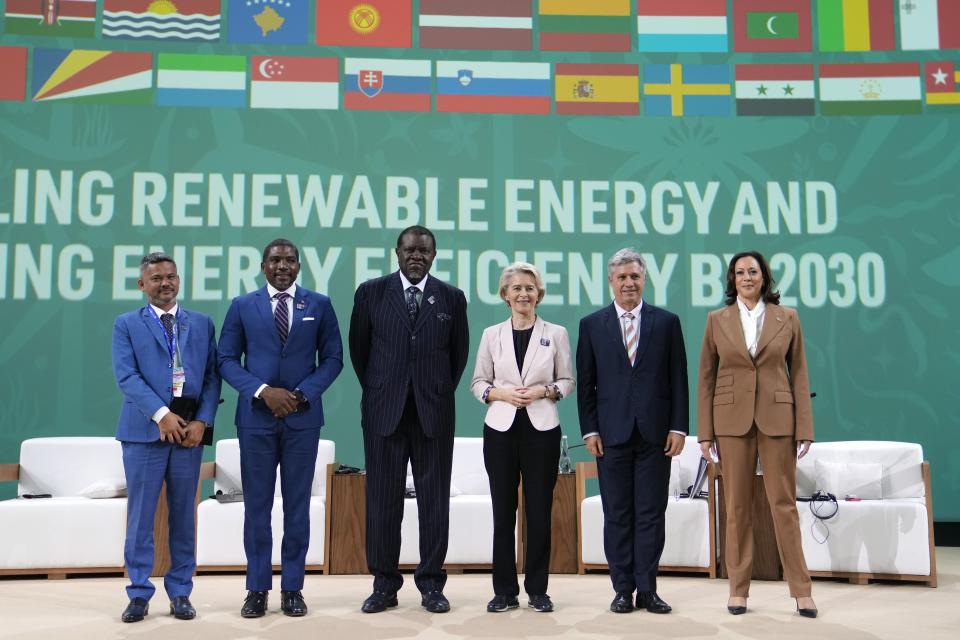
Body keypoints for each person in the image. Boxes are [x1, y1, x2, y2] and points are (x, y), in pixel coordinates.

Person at [218, 238, 343, 618]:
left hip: (302, 421)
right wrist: (262, 391)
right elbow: (225, 359)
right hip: (255, 421)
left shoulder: (318, 305)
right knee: (256, 508)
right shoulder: (242, 306)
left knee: (297, 508)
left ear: (299, 265)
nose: (283, 265)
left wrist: (302, 395)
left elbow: (334, 359)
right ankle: (257, 588)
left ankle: (293, 588)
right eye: (276, 259)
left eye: (290, 260)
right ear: (263, 265)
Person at [348, 225, 469, 614]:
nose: (416, 257)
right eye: (409, 251)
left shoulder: (451, 297)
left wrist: (430, 389)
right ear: (396, 253)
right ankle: (384, 584)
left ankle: (432, 583)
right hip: (385, 412)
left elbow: (458, 358)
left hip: (433, 413)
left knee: (434, 504)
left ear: (434, 255)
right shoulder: (371, 293)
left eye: (424, 251)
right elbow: (360, 352)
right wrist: (387, 389)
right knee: (382, 502)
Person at [696, 251, 817, 618]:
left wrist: (804, 428)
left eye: (752, 271)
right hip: (730, 423)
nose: (746, 277)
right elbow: (706, 378)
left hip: (778, 420)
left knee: (784, 506)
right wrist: (705, 434)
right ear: (732, 280)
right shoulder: (716, 320)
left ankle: (801, 590)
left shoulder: (788, 317)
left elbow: (799, 375)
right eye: (739, 272)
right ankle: (738, 590)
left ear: (764, 277)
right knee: (736, 509)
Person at [576, 248, 688, 615]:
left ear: (644, 280)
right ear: (611, 281)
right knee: (617, 514)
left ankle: (648, 589)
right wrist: (589, 430)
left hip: (656, 435)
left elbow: (678, 379)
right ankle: (622, 589)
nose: (628, 283)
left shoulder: (667, 322)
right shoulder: (592, 325)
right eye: (621, 277)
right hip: (611, 436)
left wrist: (678, 427)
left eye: (634, 277)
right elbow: (588, 385)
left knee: (651, 514)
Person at [112, 252, 221, 623]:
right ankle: (139, 593)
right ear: (142, 285)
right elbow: (127, 377)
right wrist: (162, 415)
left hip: (188, 435)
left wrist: (203, 420)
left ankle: (180, 592)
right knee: (141, 517)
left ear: (179, 280)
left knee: (183, 517)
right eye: (156, 278)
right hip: (144, 434)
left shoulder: (202, 323)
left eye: (171, 277)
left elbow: (210, 377)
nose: (165, 283)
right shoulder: (126, 324)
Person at [470, 262, 575, 614]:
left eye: (530, 288)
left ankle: (538, 590)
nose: (523, 294)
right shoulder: (491, 335)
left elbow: (566, 381)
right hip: (499, 430)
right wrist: (500, 395)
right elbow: (478, 383)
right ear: (505, 295)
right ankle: (504, 591)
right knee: (503, 511)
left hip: (542, 430)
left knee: (540, 511)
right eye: (516, 288)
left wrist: (545, 391)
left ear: (539, 294)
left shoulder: (556, 333)